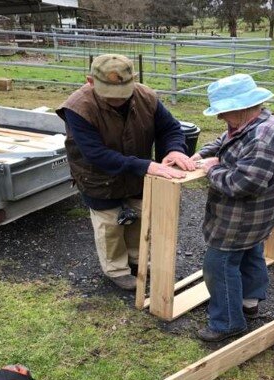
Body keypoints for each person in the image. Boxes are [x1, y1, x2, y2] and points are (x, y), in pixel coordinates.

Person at [57, 54, 195, 290]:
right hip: (98, 177)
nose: (117, 101)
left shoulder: (147, 97)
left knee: (140, 217)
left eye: (123, 94)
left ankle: (136, 259)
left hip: (136, 174)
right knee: (109, 224)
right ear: (90, 81)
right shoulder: (78, 107)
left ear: (134, 80)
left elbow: (170, 128)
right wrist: (147, 166)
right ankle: (116, 269)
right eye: (109, 95)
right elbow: (96, 154)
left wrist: (174, 150)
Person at [189, 74, 274, 342]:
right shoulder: (251, 123)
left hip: (243, 216)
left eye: (223, 112)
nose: (220, 118)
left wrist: (212, 169)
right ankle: (249, 302)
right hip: (257, 216)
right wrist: (201, 154)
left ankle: (227, 322)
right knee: (250, 253)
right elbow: (226, 140)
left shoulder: (262, 137)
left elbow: (243, 184)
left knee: (219, 264)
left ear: (241, 106)